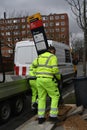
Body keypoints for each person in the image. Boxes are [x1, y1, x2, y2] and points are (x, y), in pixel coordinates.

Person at [32, 46, 61, 124]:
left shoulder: (39, 56)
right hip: (48, 80)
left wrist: (37, 73)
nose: (55, 53)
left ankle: (41, 118)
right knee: (55, 96)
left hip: (39, 80)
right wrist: (59, 77)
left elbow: (33, 65)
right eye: (54, 52)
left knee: (41, 98)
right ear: (52, 51)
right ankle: (53, 116)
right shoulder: (53, 57)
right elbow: (55, 70)